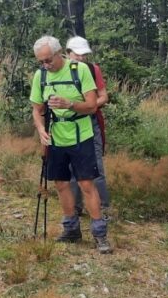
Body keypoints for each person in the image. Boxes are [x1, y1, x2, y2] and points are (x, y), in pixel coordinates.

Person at [30, 35, 113, 254]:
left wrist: (70, 104)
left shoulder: (81, 70)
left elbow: (92, 106)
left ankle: (99, 234)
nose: (45, 65)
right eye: (41, 62)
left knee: (87, 184)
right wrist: (40, 129)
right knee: (61, 184)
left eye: (48, 60)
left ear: (60, 54)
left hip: (81, 135)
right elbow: (36, 109)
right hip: (55, 136)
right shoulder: (40, 76)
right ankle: (71, 229)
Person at [65, 36, 109, 219]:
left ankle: (103, 208)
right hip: (67, 124)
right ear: (68, 53)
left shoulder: (92, 69)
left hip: (90, 121)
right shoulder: (59, 71)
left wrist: (89, 106)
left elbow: (103, 96)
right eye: (78, 54)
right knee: (71, 167)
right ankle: (76, 207)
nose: (82, 58)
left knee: (95, 166)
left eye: (85, 55)